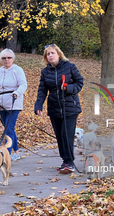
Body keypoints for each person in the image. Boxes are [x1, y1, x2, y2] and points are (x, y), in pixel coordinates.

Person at [34, 44, 83, 173]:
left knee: (66, 135)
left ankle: (69, 162)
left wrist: (68, 88)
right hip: (54, 108)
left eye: (52, 53)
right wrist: (38, 106)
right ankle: (65, 161)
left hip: (70, 107)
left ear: (59, 54)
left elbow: (79, 83)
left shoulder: (70, 67)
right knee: (60, 136)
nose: (50, 56)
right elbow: (42, 90)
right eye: (48, 54)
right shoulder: (45, 72)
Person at [0, 49, 27, 160]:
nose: (7, 60)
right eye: (4, 58)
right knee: (8, 128)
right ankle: (17, 153)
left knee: (8, 129)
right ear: (1, 60)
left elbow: (23, 84)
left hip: (13, 104)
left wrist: (17, 93)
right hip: (1, 104)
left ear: (13, 59)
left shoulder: (18, 70)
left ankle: (7, 155)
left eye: (9, 58)